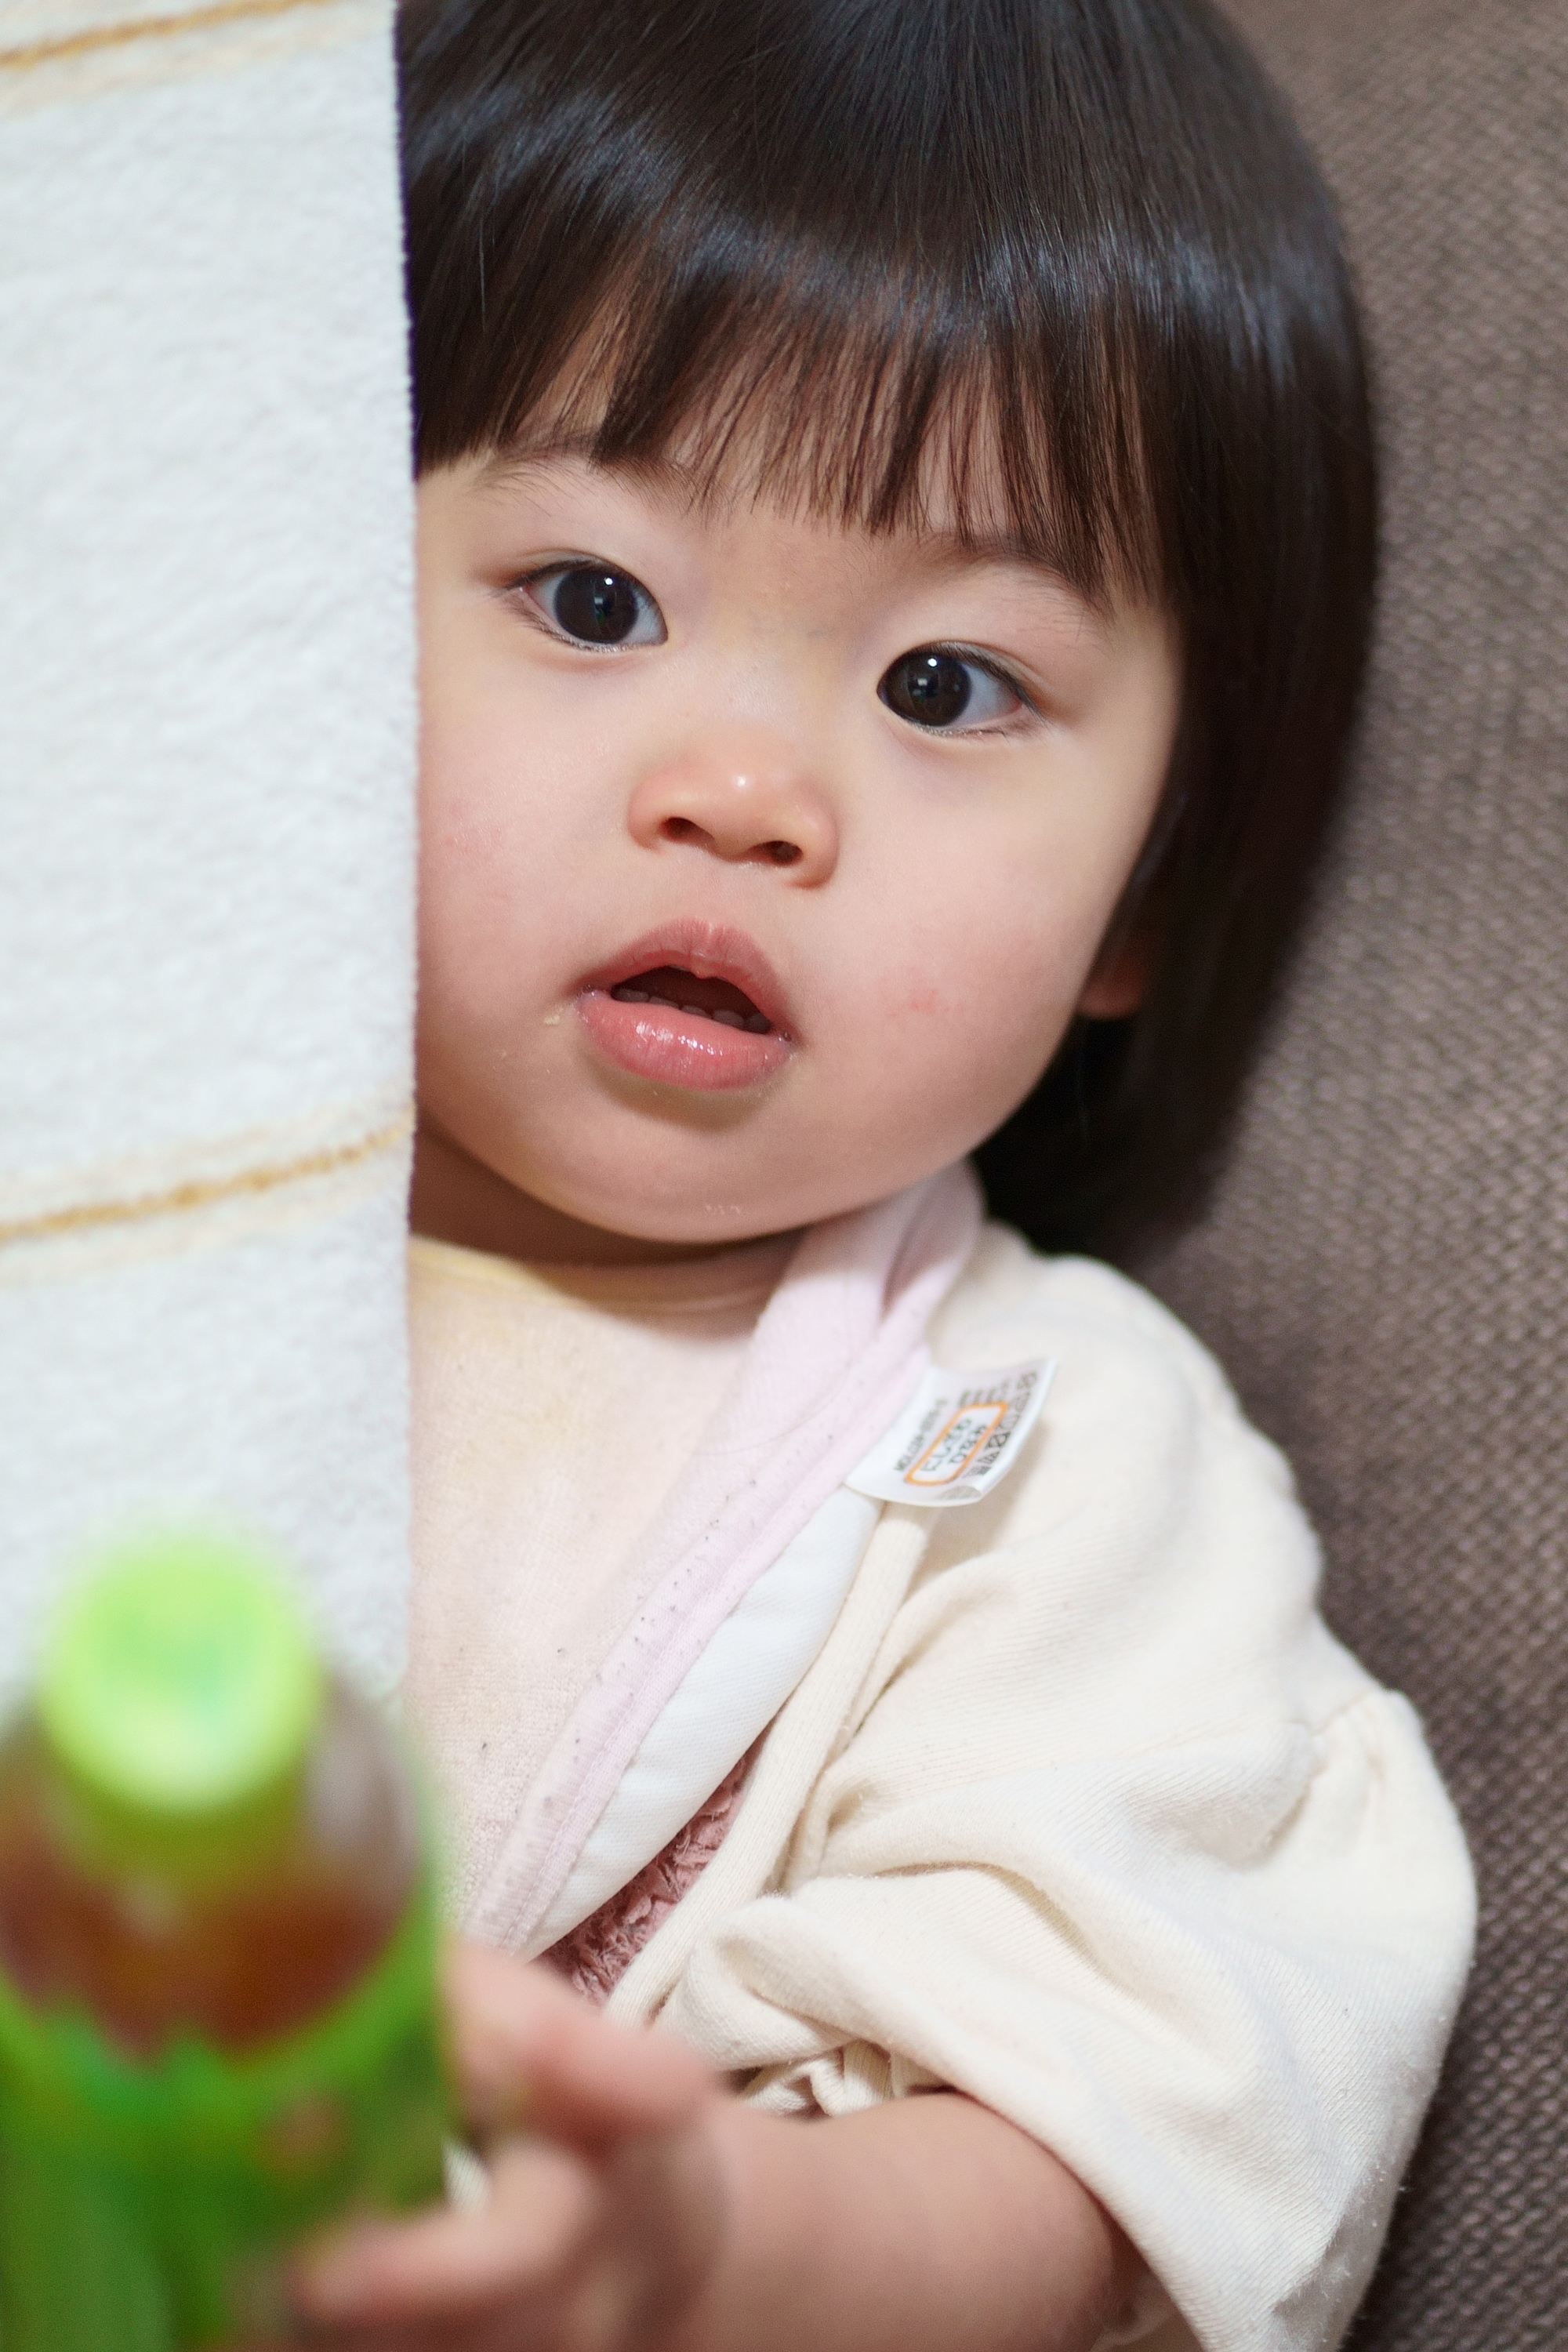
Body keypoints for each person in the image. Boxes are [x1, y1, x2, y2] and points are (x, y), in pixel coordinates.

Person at [267, 2, 1475, 2346]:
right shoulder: (102, 1208)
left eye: (946, 686)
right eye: (594, 600)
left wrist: (704, 2246)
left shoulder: (1053, 1472)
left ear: (1144, 893)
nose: (743, 793)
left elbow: (1113, 2124)